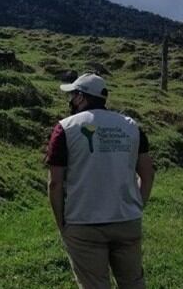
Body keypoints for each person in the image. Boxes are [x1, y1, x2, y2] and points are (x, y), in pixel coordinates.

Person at [43, 73, 155, 289]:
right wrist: (137, 206)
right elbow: (148, 174)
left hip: (83, 223)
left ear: (81, 97)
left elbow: (55, 183)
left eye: (72, 95)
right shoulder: (131, 126)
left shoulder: (65, 128)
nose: (70, 101)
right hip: (127, 220)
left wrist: (62, 223)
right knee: (133, 283)